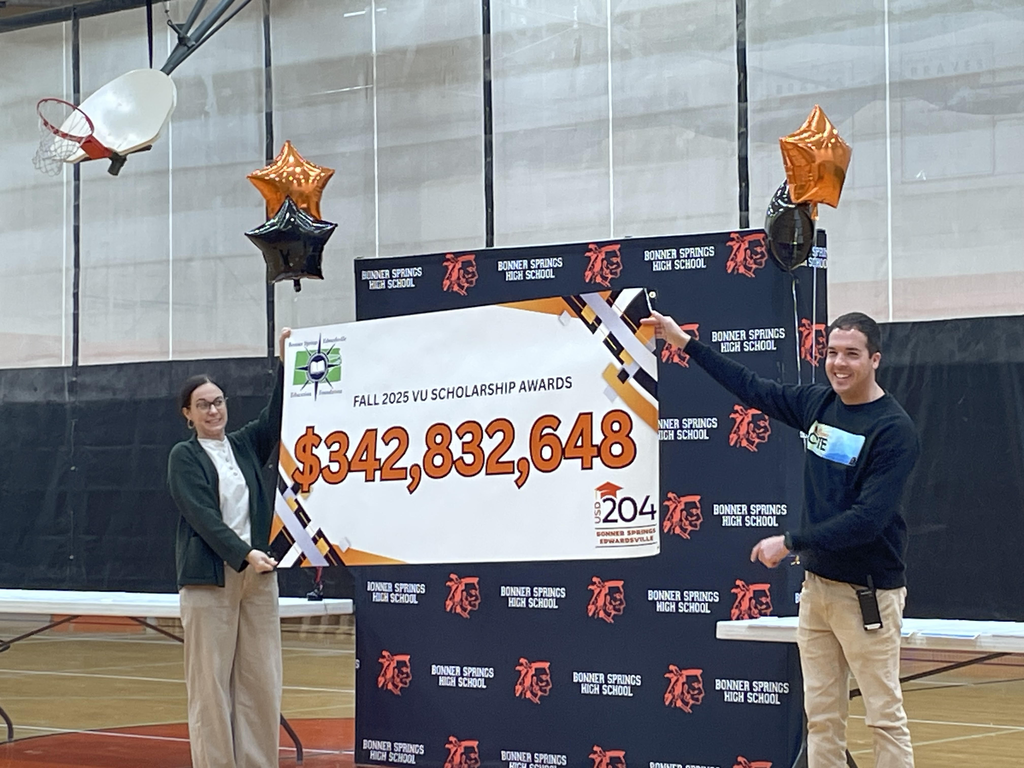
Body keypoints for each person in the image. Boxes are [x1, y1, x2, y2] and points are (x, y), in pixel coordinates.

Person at [642, 310, 919, 768]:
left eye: (852, 354)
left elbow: (867, 520)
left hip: (868, 596)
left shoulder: (893, 430)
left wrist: (791, 541)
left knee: (883, 718)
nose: (839, 364)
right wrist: (682, 341)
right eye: (831, 353)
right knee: (822, 718)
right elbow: (752, 387)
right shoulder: (818, 405)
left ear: (875, 360)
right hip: (818, 592)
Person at [167, 328, 291, 768]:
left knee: (261, 683)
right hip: (210, 581)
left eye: (218, 401)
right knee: (210, 688)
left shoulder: (242, 445)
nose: (213, 409)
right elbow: (203, 517)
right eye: (203, 404)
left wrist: (285, 360)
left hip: (257, 580)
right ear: (188, 413)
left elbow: (277, 416)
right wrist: (244, 553)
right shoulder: (184, 456)